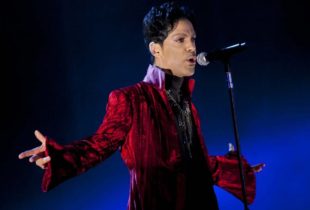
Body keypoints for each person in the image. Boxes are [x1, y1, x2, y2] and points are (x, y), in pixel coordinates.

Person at [18, 2, 264, 210]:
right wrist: (59, 156)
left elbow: (193, 164)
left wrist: (236, 170)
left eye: (193, 39)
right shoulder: (131, 99)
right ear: (155, 48)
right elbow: (99, 144)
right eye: (180, 39)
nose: (192, 47)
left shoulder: (187, 104)